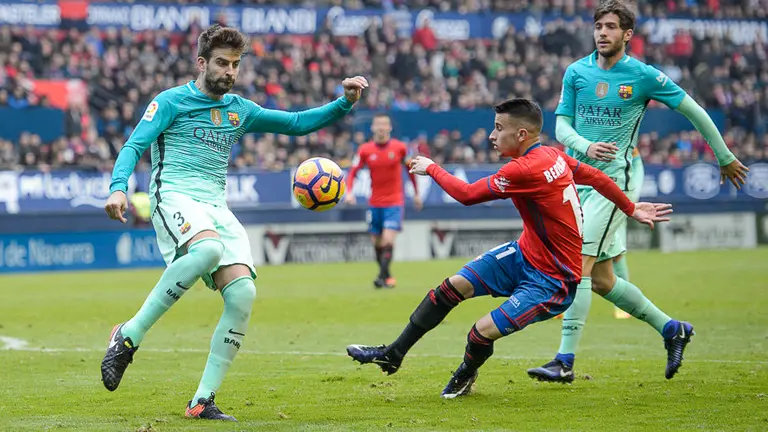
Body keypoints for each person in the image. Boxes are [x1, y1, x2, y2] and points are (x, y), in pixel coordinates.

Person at [101, 24, 368, 421]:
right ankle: (128, 336)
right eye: (222, 63)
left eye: (235, 65)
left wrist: (343, 102)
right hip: (173, 193)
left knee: (243, 294)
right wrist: (118, 187)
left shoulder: (239, 110)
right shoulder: (170, 101)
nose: (229, 71)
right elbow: (135, 145)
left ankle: (202, 401)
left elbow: (296, 123)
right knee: (207, 248)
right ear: (202, 63)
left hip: (215, 205)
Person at [346, 98, 671, 398]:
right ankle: (393, 353)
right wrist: (630, 208)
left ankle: (465, 373)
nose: (492, 135)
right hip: (523, 254)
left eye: (499, 129)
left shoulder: (523, 169)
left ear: (522, 134)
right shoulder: (552, 155)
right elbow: (596, 177)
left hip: (554, 279)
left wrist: (431, 167)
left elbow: (467, 194)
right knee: (451, 286)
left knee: (480, 332)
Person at [527, 0, 749, 383]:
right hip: (577, 178)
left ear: (627, 34)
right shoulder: (576, 72)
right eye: (599, 25)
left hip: (616, 180)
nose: (602, 32)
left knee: (577, 265)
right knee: (602, 280)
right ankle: (672, 329)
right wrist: (584, 146)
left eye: (611, 26)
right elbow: (561, 126)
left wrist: (724, 157)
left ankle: (564, 360)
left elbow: (694, 110)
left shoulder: (643, 76)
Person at [345, 113, 422, 288]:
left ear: (389, 128)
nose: (381, 128)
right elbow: (353, 172)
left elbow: (411, 170)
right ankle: (387, 276)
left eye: (384, 124)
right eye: (377, 124)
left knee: (388, 240)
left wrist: (416, 194)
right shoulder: (365, 150)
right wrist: (349, 192)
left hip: (394, 202)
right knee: (377, 244)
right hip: (374, 203)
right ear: (372, 128)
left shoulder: (400, 148)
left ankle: (381, 277)